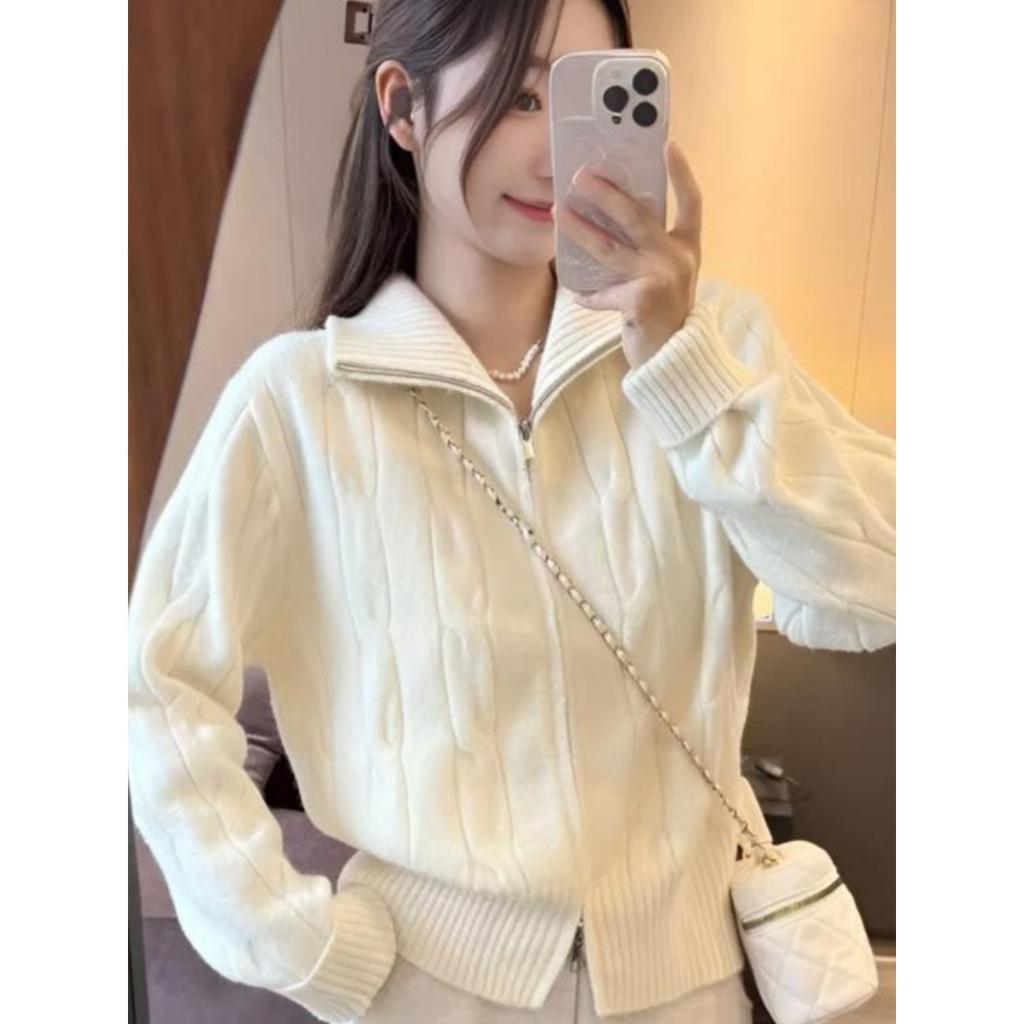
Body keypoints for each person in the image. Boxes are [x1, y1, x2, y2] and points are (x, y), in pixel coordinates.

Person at [127, 0, 896, 1021]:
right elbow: (154, 683)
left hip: (687, 989)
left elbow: (878, 589)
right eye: (522, 97)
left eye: (588, 101)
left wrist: (683, 375)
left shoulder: (710, 349)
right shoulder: (296, 404)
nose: (557, 155)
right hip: (426, 992)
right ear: (402, 106)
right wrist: (294, 941)